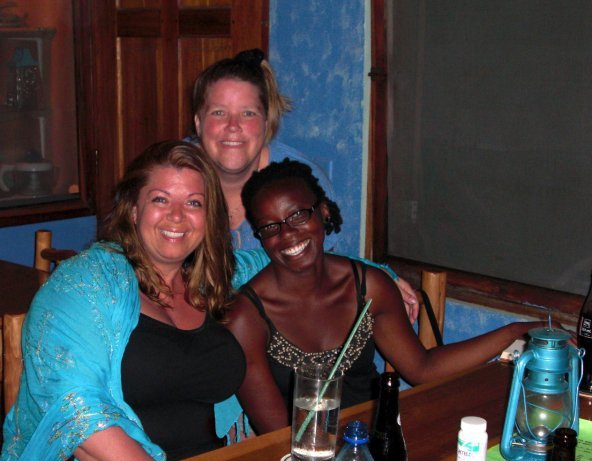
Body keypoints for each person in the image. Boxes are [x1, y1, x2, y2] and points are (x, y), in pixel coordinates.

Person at [0, 141, 269, 461]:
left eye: (194, 203)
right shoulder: (85, 283)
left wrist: (366, 269)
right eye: (160, 199)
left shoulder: (217, 280)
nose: (177, 216)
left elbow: (289, 257)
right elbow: (78, 415)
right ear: (133, 210)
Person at [226, 159, 543, 434]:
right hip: (302, 458)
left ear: (323, 211)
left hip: (372, 443)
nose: (287, 234)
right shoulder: (246, 317)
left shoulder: (369, 287)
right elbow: (276, 437)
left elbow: (423, 369)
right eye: (270, 227)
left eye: (298, 215)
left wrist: (513, 332)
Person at [191, 48, 420, 321]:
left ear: (267, 122)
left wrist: (373, 277)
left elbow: (316, 270)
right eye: (219, 112)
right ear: (198, 123)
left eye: (248, 113)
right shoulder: (172, 176)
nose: (233, 126)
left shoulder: (300, 181)